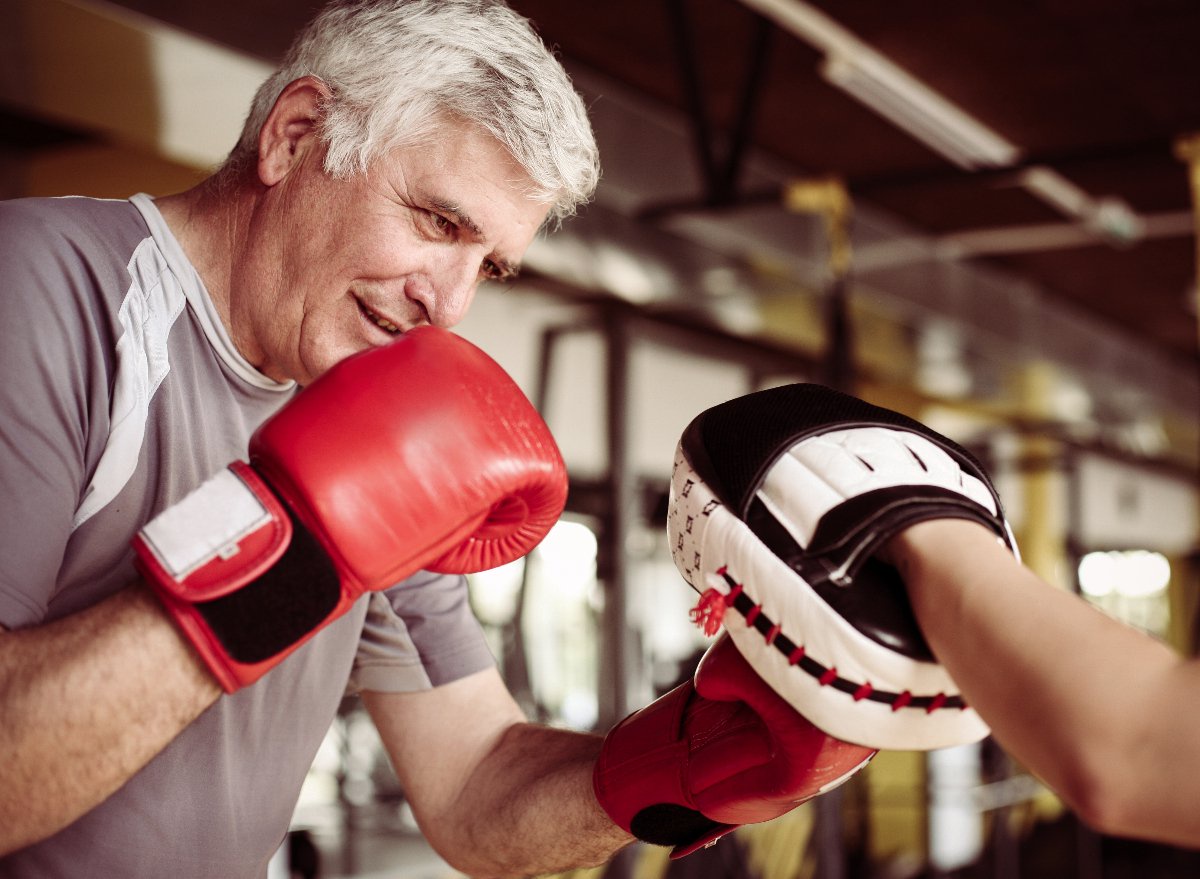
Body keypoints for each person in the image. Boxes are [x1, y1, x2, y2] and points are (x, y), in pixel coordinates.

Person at [0, 1, 632, 876]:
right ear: (295, 138)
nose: (447, 306)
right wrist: (294, 542)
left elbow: (475, 785)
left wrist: (683, 765)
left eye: (486, 265)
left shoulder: (383, 414)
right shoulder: (42, 288)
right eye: (438, 223)